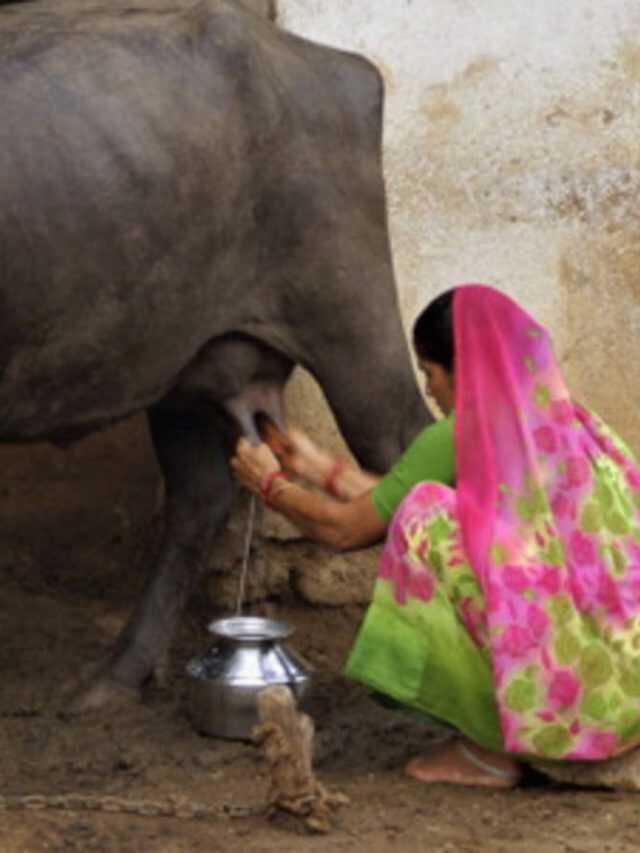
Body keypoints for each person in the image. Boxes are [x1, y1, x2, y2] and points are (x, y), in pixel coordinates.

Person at [231, 283, 640, 789]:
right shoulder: (562, 418)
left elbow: (347, 530)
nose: (430, 391)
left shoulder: (463, 429)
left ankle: (488, 749)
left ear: (461, 368)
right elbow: (395, 502)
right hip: (623, 683)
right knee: (446, 517)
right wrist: (318, 468)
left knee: (429, 517)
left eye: (430, 374)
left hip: (571, 701)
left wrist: (270, 487)